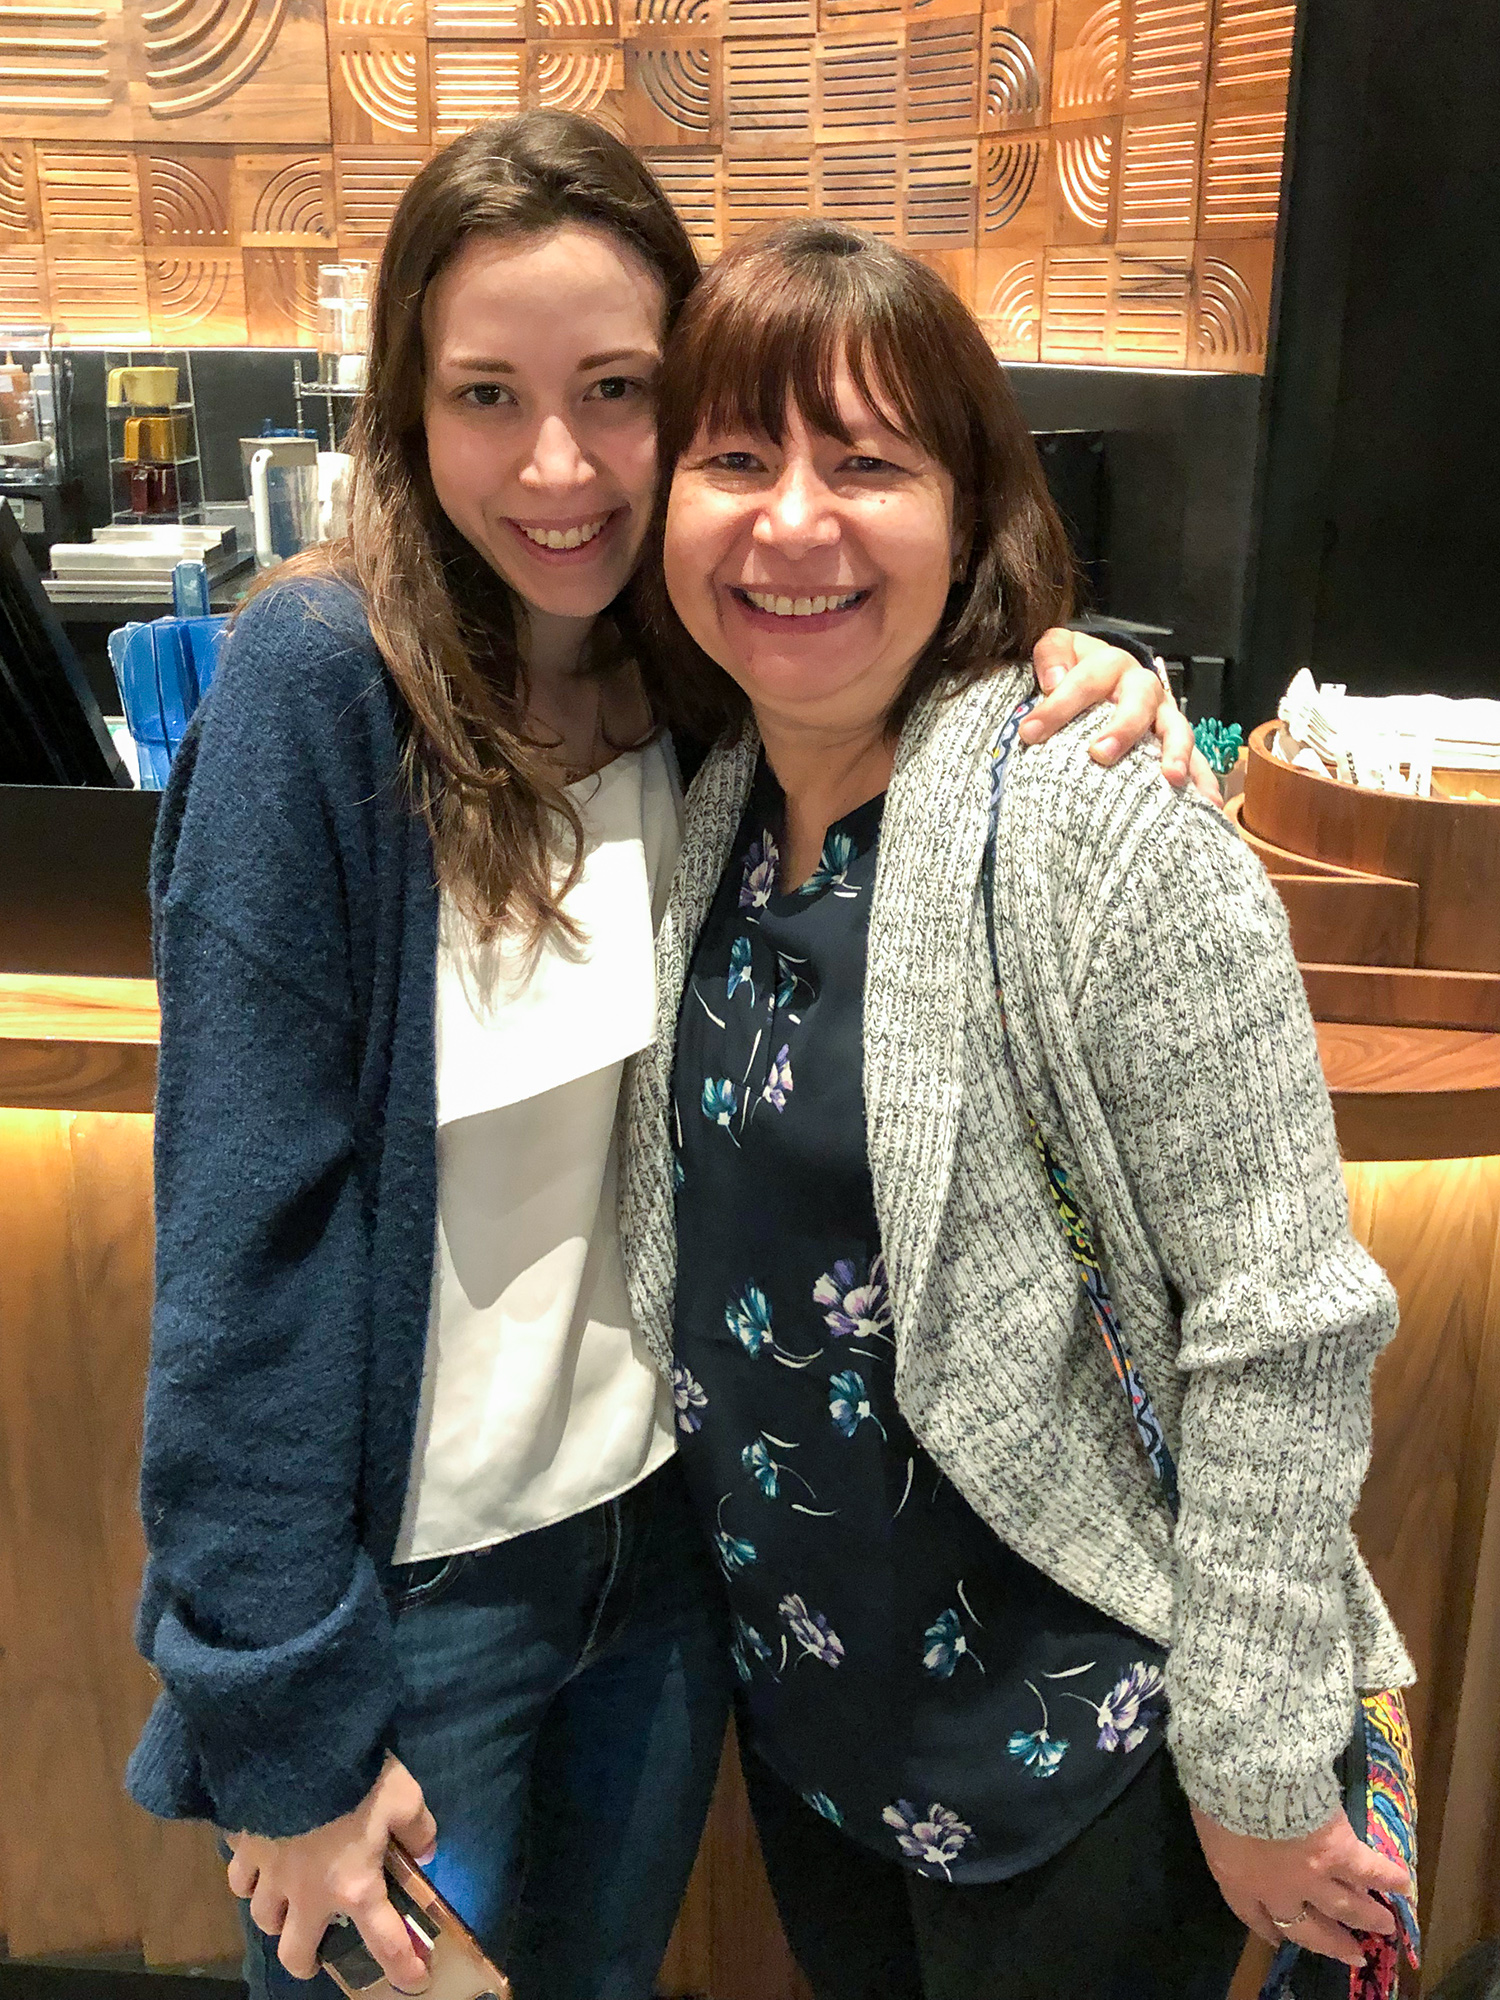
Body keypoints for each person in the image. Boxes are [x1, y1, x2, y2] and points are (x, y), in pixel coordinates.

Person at [124, 116, 1190, 2000]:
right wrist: (279, 1713)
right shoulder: (318, 696)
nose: (557, 466)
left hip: (669, 1570)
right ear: (406, 408)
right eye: (485, 395)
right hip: (414, 1608)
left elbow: (919, 639)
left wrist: (1084, 661)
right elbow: (239, 1256)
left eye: (619, 392)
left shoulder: (705, 690)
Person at [620, 219, 1415, 2000]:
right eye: (737, 457)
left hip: (1086, 1762)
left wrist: (1263, 1762)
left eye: (870, 461)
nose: (795, 521)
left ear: (974, 513)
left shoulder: (1100, 829)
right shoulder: (709, 813)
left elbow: (1284, 1321)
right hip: (821, 1729)